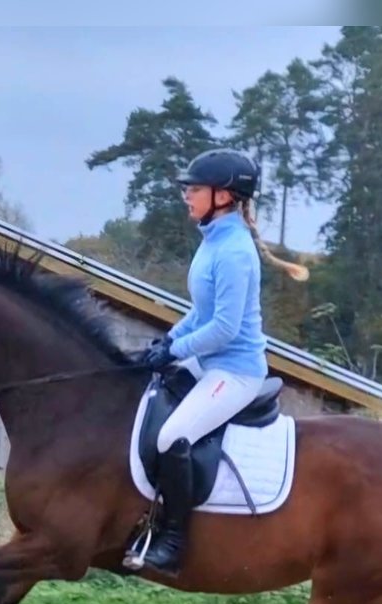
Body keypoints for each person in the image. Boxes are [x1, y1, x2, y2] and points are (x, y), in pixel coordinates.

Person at [132, 148, 309, 575]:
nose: (186, 196)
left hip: (236, 371)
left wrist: (175, 351)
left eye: (194, 189)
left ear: (224, 196)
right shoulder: (213, 241)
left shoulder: (233, 252)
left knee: (172, 436)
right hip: (210, 362)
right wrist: (168, 339)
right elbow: (200, 312)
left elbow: (225, 328)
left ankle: (174, 544)